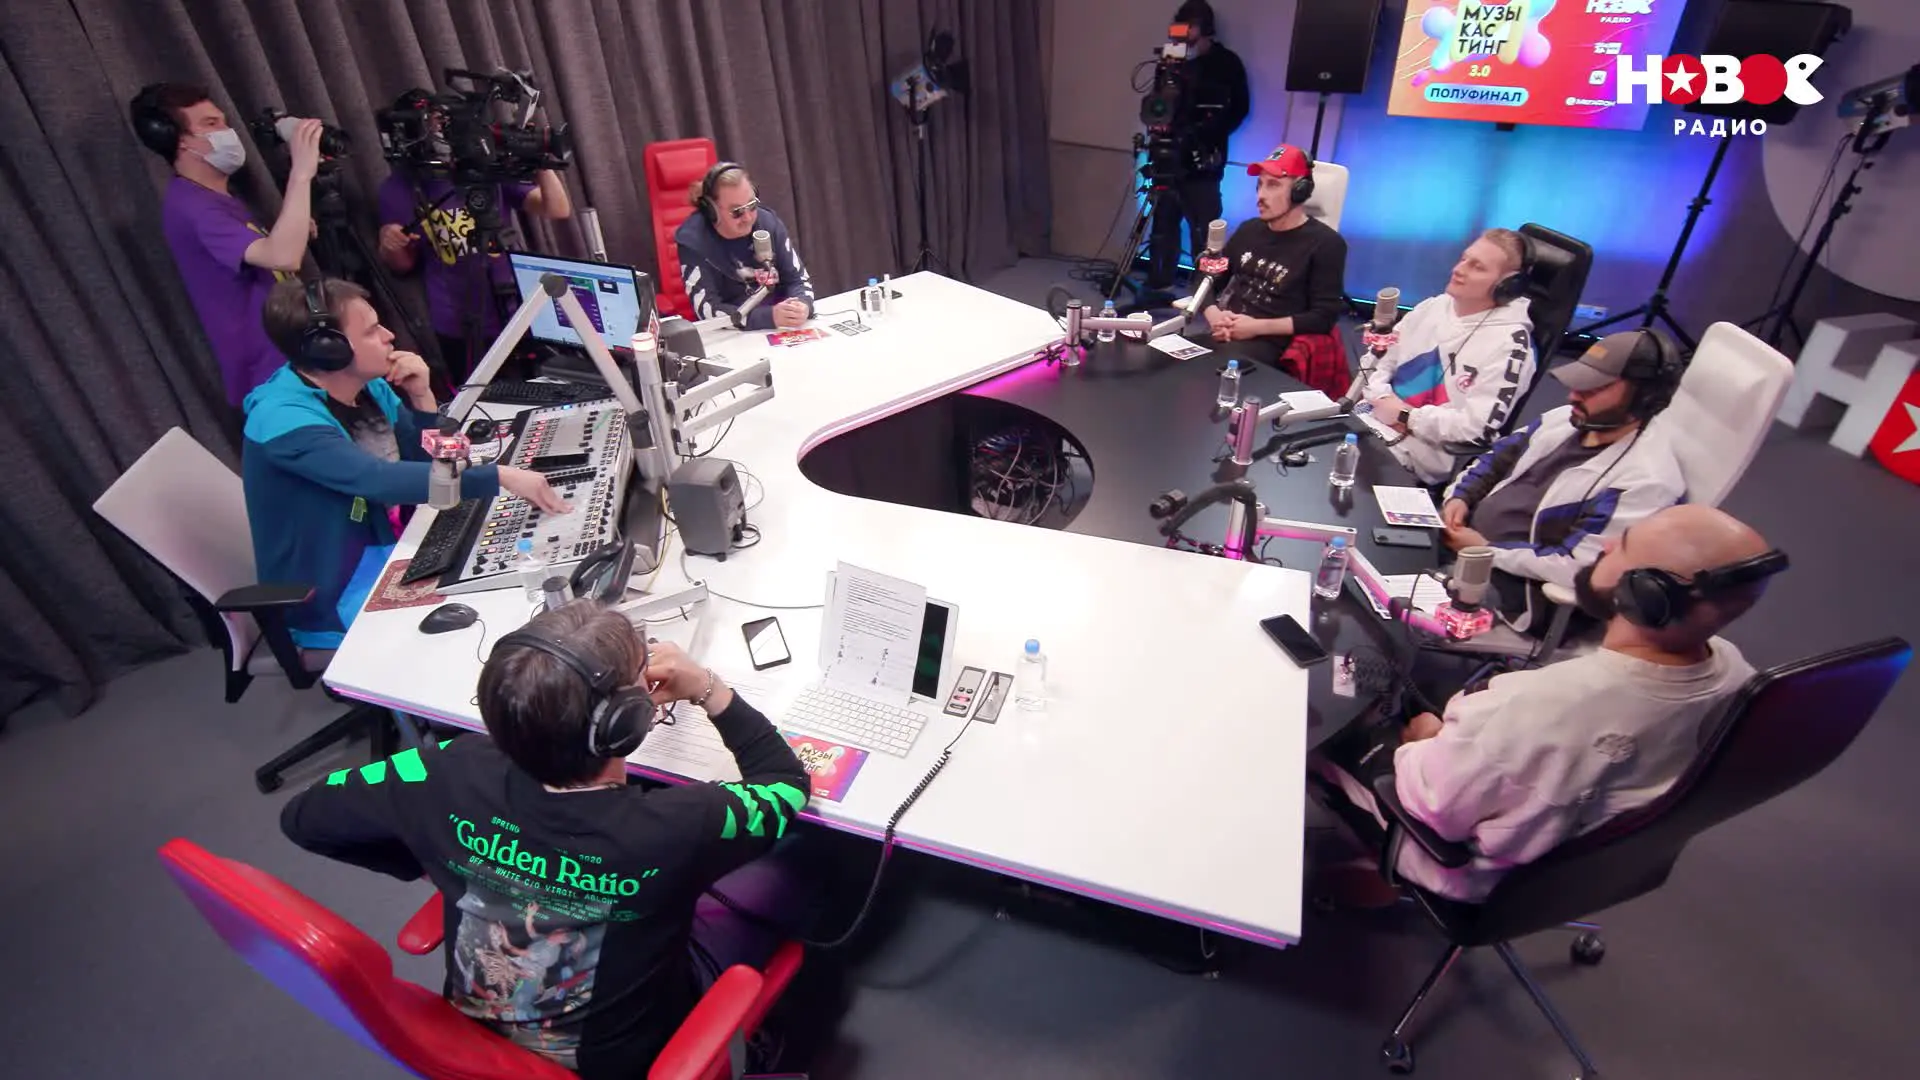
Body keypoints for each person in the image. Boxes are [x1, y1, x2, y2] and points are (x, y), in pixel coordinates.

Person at [280, 602, 814, 1079]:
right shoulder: (677, 826)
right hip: (624, 1060)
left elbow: (303, 818)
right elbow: (786, 785)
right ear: (626, 723)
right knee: (794, 865)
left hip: (477, 1040)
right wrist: (707, 688)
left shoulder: (440, 768)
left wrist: (439, 859)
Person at [1314, 505, 1780, 902]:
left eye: (1624, 545)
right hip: (1576, 856)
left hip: (1464, 866)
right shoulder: (1738, 674)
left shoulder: (1542, 708)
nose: (1606, 545)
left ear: (1648, 594)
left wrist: (1423, 743)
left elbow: (1435, 807)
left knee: (1328, 725)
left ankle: (1381, 870)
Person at [242, 276, 568, 648]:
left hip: (390, 546)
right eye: (371, 331)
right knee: (492, 631)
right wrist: (498, 476)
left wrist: (423, 398)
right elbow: (377, 480)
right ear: (328, 350)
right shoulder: (282, 419)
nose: (389, 336)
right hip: (334, 592)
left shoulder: (369, 386)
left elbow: (433, 467)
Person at [1438, 329, 1689, 633]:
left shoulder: (1646, 482)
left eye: (1594, 389)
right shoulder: (1567, 418)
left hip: (1520, 590)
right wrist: (1461, 497)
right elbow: (1497, 458)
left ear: (1645, 399)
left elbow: (1578, 565)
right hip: (1471, 547)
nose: (1574, 396)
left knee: (1399, 604)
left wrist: (1487, 550)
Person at [132, 83, 323, 407]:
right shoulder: (194, 208)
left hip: (296, 358)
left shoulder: (213, 198)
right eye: (211, 124)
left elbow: (265, 254)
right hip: (275, 379)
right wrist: (301, 173)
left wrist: (293, 228)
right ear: (179, 141)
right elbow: (283, 256)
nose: (227, 132)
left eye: (224, 122)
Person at [375, 89, 574, 380]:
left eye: (441, 122)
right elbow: (403, 265)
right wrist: (390, 243)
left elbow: (556, 208)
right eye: (430, 123)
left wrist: (538, 160)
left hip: (518, 308)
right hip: (459, 322)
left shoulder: (485, 168)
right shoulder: (397, 189)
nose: (438, 131)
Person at [1363, 229, 1538, 485]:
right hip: (1371, 416)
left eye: (1477, 267)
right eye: (1464, 259)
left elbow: (1477, 429)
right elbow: (1379, 360)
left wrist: (1405, 416)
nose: (1459, 269)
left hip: (1418, 455)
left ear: (1507, 285)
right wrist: (1380, 398)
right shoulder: (1433, 306)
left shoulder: (1511, 346)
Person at [1201, 144, 1349, 383]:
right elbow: (1206, 277)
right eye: (1259, 185)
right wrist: (1215, 316)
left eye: (1273, 185)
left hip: (1269, 347)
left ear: (1300, 191)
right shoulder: (1249, 230)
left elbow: (1324, 317)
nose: (1261, 195)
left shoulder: (1326, 244)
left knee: (1204, 379)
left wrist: (1256, 327)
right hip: (1225, 333)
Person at [1144, 0, 1250, 291]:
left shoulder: (1226, 63)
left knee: (1204, 231)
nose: (1185, 38)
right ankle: (1159, 283)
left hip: (1204, 160)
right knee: (1163, 225)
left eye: (1190, 29)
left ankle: (1204, 291)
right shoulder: (1170, 62)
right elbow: (1158, 104)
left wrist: (1207, 134)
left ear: (1205, 30)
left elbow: (1239, 108)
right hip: (1168, 158)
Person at [674, 162, 815, 330]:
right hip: (732, 334)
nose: (748, 218)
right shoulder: (694, 241)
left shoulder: (768, 223)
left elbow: (798, 279)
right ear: (712, 211)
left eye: (752, 205)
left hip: (783, 328)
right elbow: (707, 310)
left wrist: (802, 305)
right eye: (737, 211)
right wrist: (768, 317)